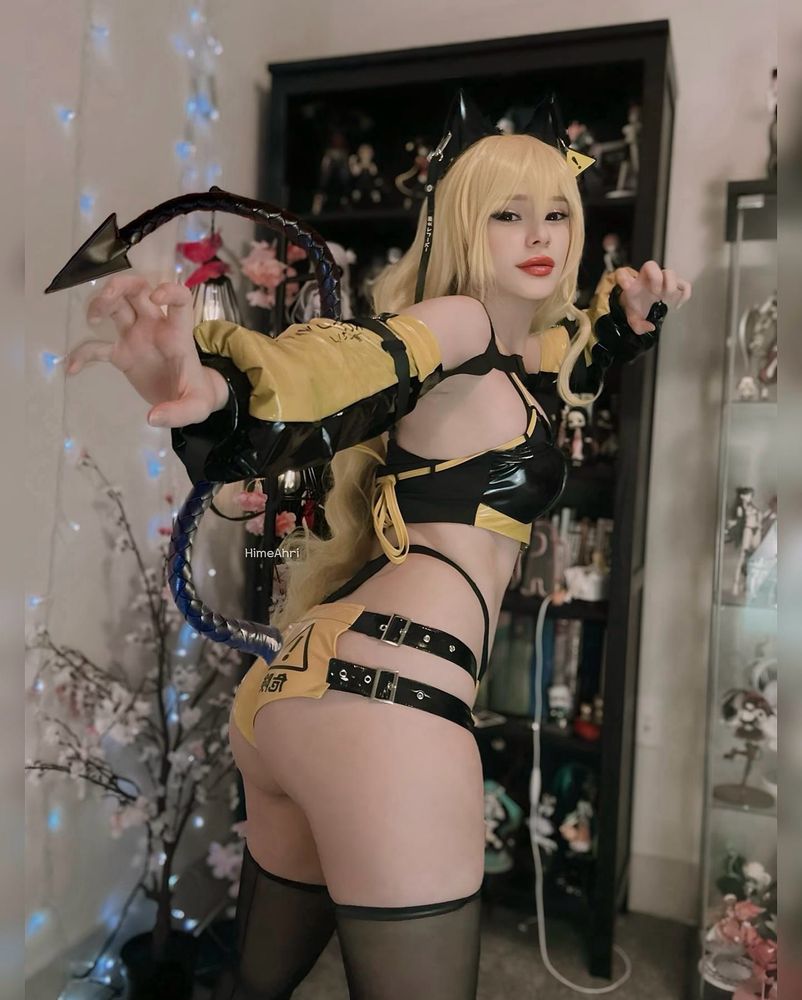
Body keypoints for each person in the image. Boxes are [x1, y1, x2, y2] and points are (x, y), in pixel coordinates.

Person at [66, 127, 691, 999]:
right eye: (508, 214)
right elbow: (353, 364)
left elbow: (569, 363)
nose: (539, 234)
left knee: (253, 987)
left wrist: (625, 324)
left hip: (302, 691)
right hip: (387, 702)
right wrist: (218, 390)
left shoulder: (512, 360)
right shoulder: (460, 324)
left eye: (557, 213)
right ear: (463, 224)